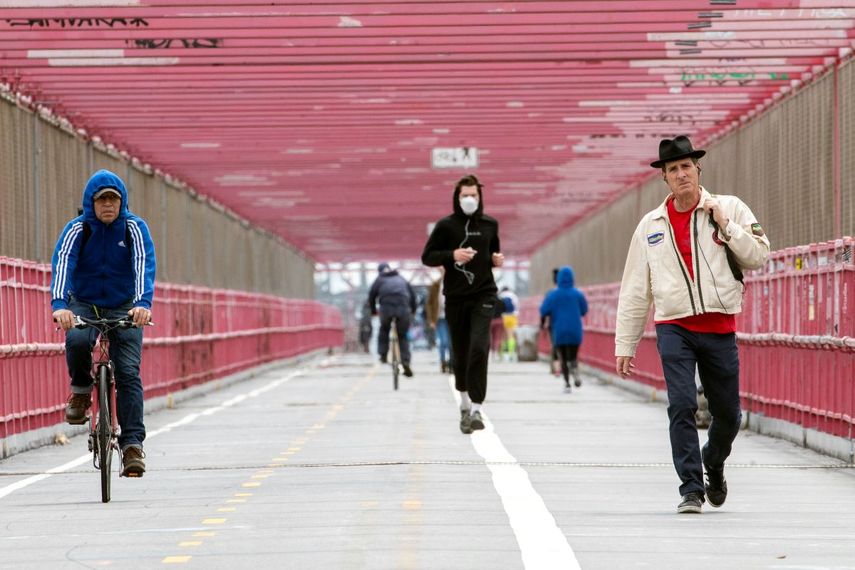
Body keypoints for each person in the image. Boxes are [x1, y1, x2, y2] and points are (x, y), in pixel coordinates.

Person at [615, 136, 770, 514]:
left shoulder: (729, 207)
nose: (681, 174)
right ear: (664, 178)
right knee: (681, 404)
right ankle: (690, 488)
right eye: (673, 170)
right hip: (674, 327)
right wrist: (626, 343)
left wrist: (726, 225)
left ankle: (712, 463)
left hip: (719, 327)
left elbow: (760, 256)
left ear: (698, 169)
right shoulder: (650, 226)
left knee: (729, 416)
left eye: (687, 167)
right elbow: (636, 287)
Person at [50, 169, 156, 478]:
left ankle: (133, 445)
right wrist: (60, 307)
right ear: (90, 203)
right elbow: (62, 264)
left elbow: (143, 265)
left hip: (125, 305)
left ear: (122, 202)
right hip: (86, 302)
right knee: (79, 340)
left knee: (128, 373)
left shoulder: (134, 228)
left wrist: (142, 305)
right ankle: (82, 391)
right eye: (101, 200)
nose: (108, 205)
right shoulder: (78, 229)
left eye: (114, 199)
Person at [421, 174, 504, 434]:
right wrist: (452, 255)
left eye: (474, 195)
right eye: (465, 195)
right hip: (456, 297)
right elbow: (427, 256)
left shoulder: (491, 224)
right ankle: (465, 406)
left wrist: (496, 260)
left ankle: (478, 409)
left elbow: (493, 255)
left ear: (480, 197)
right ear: (457, 198)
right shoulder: (446, 226)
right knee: (461, 353)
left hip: (484, 294)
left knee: (479, 347)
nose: (470, 199)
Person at [539, 266, 588, 392]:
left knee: (563, 358)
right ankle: (575, 368)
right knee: (573, 356)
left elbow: (544, 310)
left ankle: (567, 384)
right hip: (575, 330)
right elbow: (584, 310)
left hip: (559, 330)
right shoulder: (578, 294)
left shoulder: (552, 295)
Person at [368, 262, 417, 377]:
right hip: (403, 308)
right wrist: (413, 311)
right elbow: (413, 296)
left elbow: (371, 296)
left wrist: (374, 311)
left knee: (384, 330)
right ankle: (405, 361)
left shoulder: (379, 279)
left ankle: (383, 355)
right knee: (402, 335)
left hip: (386, 308)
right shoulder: (401, 278)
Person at [425, 268, 454, 374]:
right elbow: (429, 303)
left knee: (452, 343)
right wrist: (431, 320)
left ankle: (452, 363)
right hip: (440, 318)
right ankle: (442, 361)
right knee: (444, 341)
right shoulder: (436, 285)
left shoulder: (455, 283)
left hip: (452, 318)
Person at [498, 286, 519, 361]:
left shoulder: (500, 295)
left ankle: (501, 354)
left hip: (503, 317)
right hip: (512, 317)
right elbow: (517, 307)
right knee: (511, 336)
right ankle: (511, 353)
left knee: (502, 336)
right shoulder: (513, 296)